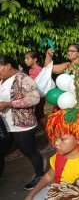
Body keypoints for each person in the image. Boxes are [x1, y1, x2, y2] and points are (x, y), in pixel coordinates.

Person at [25, 109, 79, 200]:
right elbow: (49, 176)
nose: (56, 143)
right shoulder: (58, 156)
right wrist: (31, 195)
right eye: (55, 137)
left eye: (62, 139)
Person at [0, 55, 44, 190]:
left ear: (7, 66)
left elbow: (35, 98)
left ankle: (40, 176)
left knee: (30, 151)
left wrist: (9, 103)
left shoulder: (23, 79)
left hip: (22, 125)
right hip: (4, 125)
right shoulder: (2, 80)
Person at [24, 51, 53, 153]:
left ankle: (51, 141)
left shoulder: (40, 70)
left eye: (28, 58)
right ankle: (50, 141)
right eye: (25, 58)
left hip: (38, 98)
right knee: (40, 119)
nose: (25, 60)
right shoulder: (31, 70)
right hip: (34, 97)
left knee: (40, 119)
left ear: (35, 59)